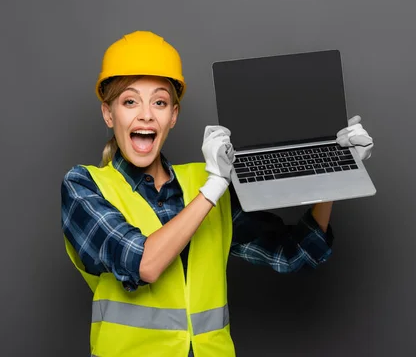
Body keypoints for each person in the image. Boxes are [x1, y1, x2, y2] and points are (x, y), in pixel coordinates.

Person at [61, 30, 374, 357]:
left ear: (173, 116)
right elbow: (143, 264)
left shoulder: (204, 180)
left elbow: (294, 254)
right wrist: (214, 186)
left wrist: (336, 168)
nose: (145, 115)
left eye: (160, 102)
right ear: (108, 114)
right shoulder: (85, 186)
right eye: (129, 101)